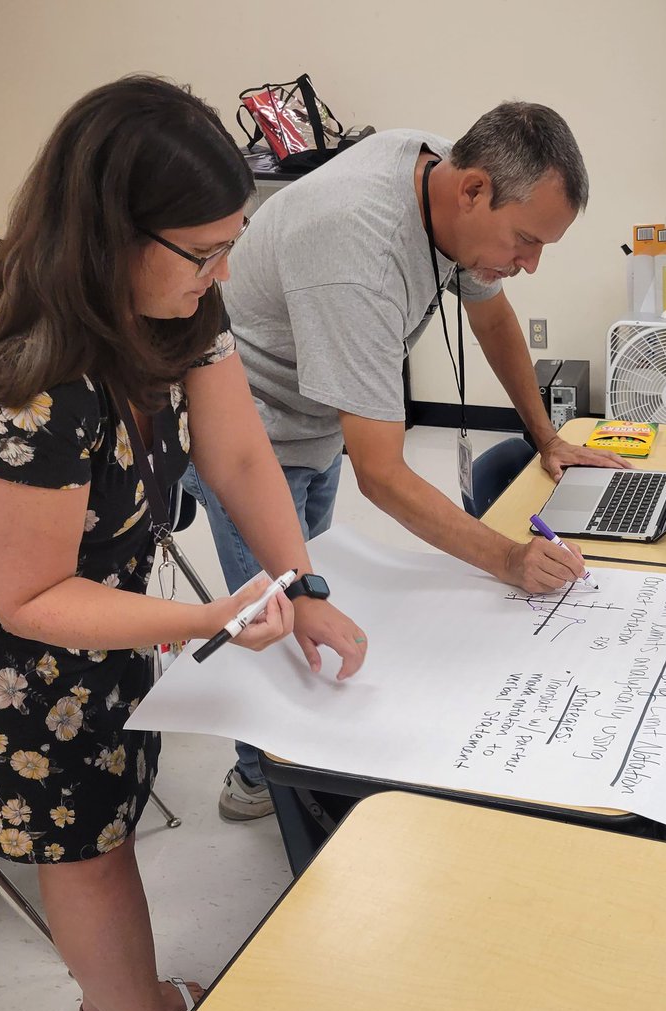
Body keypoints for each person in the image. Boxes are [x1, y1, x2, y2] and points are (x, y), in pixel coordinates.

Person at [0, 76, 367, 1011]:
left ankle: (108, 989)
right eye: (202, 253)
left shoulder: (167, 304)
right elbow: (28, 598)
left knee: (112, 806)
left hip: (97, 596)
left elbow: (243, 458)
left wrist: (303, 586)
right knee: (87, 843)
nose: (218, 274)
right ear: (110, 233)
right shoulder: (21, 375)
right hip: (6, 644)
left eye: (230, 246)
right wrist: (213, 612)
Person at [183, 100, 627, 821]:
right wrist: (510, 561)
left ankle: (304, 754)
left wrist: (546, 436)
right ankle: (261, 776)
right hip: (252, 436)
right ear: (474, 190)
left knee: (317, 593)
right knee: (283, 622)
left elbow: (492, 317)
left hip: (320, 418)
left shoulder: (438, 172)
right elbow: (382, 475)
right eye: (525, 240)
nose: (530, 263)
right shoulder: (356, 249)